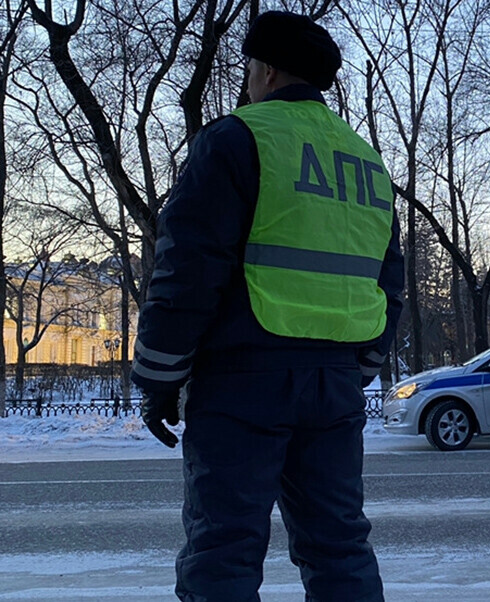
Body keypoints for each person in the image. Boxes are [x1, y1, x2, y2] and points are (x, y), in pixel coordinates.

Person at [131, 11, 403, 602]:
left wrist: (158, 377)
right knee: (340, 547)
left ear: (267, 70)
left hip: (242, 379)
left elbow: (188, 271)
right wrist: (359, 367)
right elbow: (389, 283)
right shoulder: (366, 162)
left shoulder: (236, 139)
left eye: (251, 68)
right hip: (333, 383)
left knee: (224, 552)